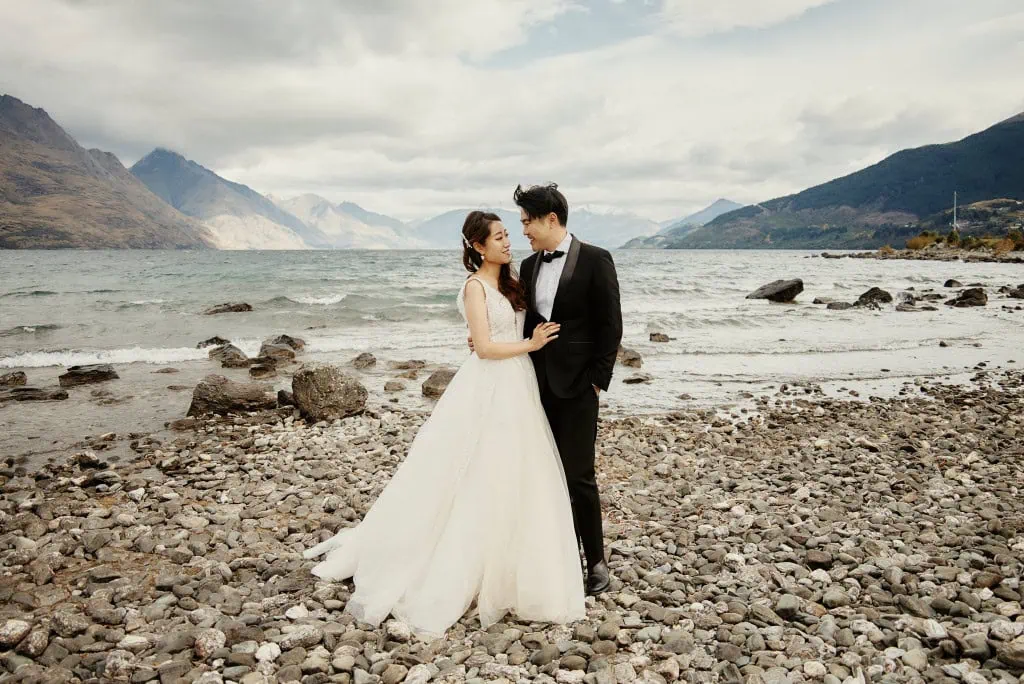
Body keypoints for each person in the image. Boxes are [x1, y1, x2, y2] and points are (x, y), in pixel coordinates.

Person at [304, 210, 586, 638]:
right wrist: (528, 344)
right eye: (498, 237)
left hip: (519, 384)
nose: (507, 243)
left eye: (509, 235)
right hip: (491, 382)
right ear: (477, 246)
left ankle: (514, 562)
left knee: (516, 471)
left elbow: (502, 332)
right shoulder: (474, 287)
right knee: (473, 468)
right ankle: (456, 562)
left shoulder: (512, 281)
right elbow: (486, 350)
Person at [506, 182, 623, 595]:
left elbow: (611, 325)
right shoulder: (529, 265)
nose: (522, 230)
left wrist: (596, 380)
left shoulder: (595, 259)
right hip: (534, 385)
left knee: (579, 477)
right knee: (542, 474)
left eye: (526, 221)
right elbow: (523, 321)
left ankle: (596, 562)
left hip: (578, 388)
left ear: (550, 219)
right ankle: (554, 558)